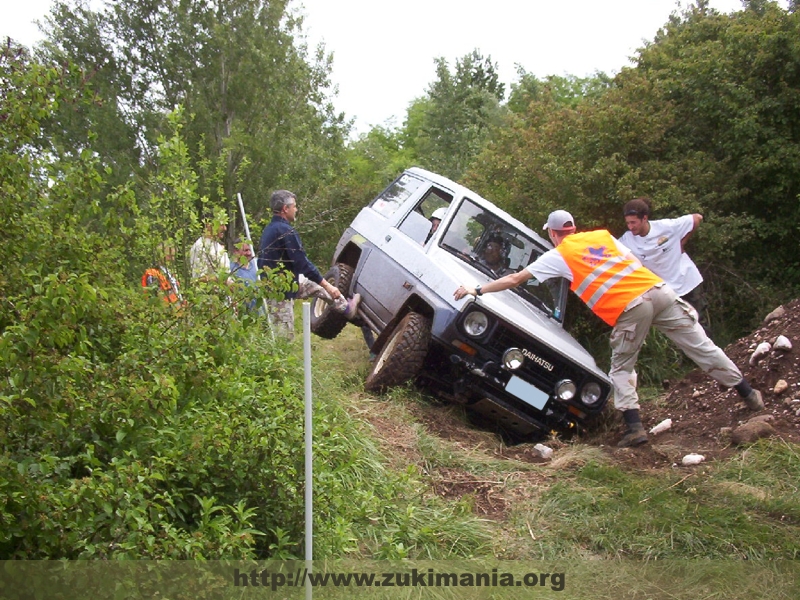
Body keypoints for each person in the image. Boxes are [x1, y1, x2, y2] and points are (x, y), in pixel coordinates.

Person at [454, 209, 764, 448]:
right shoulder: (602, 236)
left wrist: (477, 290)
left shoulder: (561, 254)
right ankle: (749, 395)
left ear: (553, 234)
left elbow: (514, 279)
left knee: (620, 369)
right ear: (573, 228)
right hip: (660, 291)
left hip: (632, 306)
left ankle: (634, 428)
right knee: (702, 347)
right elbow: (633, 261)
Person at [257, 189, 361, 338]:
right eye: (294, 206)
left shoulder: (270, 229)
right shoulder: (285, 231)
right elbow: (302, 264)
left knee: (317, 287)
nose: (296, 209)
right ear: (285, 209)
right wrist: (329, 286)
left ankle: (346, 309)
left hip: (286, 281)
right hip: (279, 292)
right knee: (284, 337)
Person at [620, 198, 711, 337]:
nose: (630, 227)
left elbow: (697, 218)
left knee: (700, 323)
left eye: (633, 222)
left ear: (644, 218)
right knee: (683, 329)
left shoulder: (666, 227)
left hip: (687, 281)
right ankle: (689, 358)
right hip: (668, 291)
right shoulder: (627, 240)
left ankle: (714, 357)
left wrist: (682, 242)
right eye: (627, 223)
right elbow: (611, 250)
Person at [190, 210, 233, 285]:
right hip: (208, 294)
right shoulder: (200, 247)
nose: (225, 228)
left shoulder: (218, 246)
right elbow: (199, 278)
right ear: (208, 225)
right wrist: (223, 281)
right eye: (221, 224)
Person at [229, 238, 261, 313]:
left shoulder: (256, 264)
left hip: (260, 312)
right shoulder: (231, 269)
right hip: (243, 312)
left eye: (250, 250)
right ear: (236, 252)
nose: (249, 253)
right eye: (245, 250)